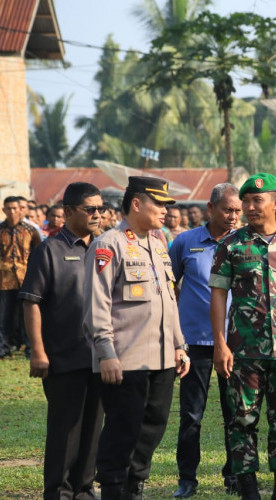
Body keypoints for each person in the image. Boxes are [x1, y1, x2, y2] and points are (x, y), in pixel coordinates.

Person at [82, 176, 190, 500]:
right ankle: (114, 487)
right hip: (124, 358)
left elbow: (168, 300)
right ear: (137, 204)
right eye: (159, 204)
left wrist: (179, 345)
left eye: (167, 205)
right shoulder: (108, 244)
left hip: (161, 358)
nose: (166, 211)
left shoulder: (158, 245)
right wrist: (105, 352)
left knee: (153, 426)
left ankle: (135, 485)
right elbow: (95, 304)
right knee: (123, 429)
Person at [209, 173, 276, 500]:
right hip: (244, 351)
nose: (250, 208)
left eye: (257, 201)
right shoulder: (232, 245)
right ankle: (249, 492)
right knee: (242, 422)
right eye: (246, 202)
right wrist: (221, 344)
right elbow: (218, 296)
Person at [20, 182, 105, 500]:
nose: (97, 214)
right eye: (90, 209)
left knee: (93, 427)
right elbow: (31, 302)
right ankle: (58, 491)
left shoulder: (104, 248)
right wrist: (38, 352)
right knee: (65, 428)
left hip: (99, 356)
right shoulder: (49, 250)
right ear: (68, 212)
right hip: (62, 356)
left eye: (101, 209)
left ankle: (83, 488)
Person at [169, 184, 241, 498]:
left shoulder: (245, 243)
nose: (233, 216)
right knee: (191, 414)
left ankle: (235, 475)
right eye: (228, 210)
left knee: (236, 412)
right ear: (211, 209)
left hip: (235, 342)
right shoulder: (185, 242)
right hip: (195, 342)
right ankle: (187, 478)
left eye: (238, 211)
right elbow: (167, 285)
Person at [0, 196, 41, 357]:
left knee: (27, 316)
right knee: (4, 316)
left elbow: (38, 253)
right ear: (3, 210)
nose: (12, 211)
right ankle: (4, 348)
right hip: (4, 280)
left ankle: (30, 348)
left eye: (15, 208)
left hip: (26, 278)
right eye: (8, 208)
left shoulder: (30, 230)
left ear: (21, 209)